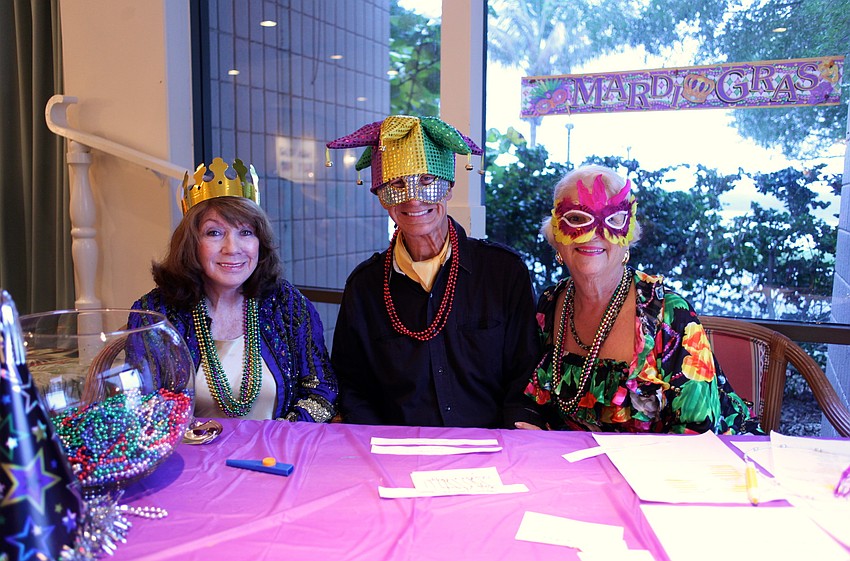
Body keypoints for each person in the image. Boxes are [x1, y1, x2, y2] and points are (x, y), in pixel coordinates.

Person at [326, 115, 543, 428]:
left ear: (448, 189)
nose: (413, 198)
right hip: (395, 455)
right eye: (397, 185)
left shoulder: (504, 273)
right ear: (381, 196)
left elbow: (527, 369)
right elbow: (352, 382)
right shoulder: (366, 286)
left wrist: (517, 433)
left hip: (492, 450)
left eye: (427, 181)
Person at [523, 164, 759, 434]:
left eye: (612, 220)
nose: (593, 233)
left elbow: (699, 435)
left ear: (628, 235)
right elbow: (534, 405)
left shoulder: (668, 314)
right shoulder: (550, 305)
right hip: (577, 469)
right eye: (576, 219)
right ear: (556, 233)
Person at [129, 157, 337, 422]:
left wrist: (287, 432)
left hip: (275, 458)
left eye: (246, 232)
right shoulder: (153, 315)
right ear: (191, 243)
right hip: (192, 459)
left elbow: (321, 389)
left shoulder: (288, 305)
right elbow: (141, 405)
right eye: (214, 233)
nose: (232, 248)